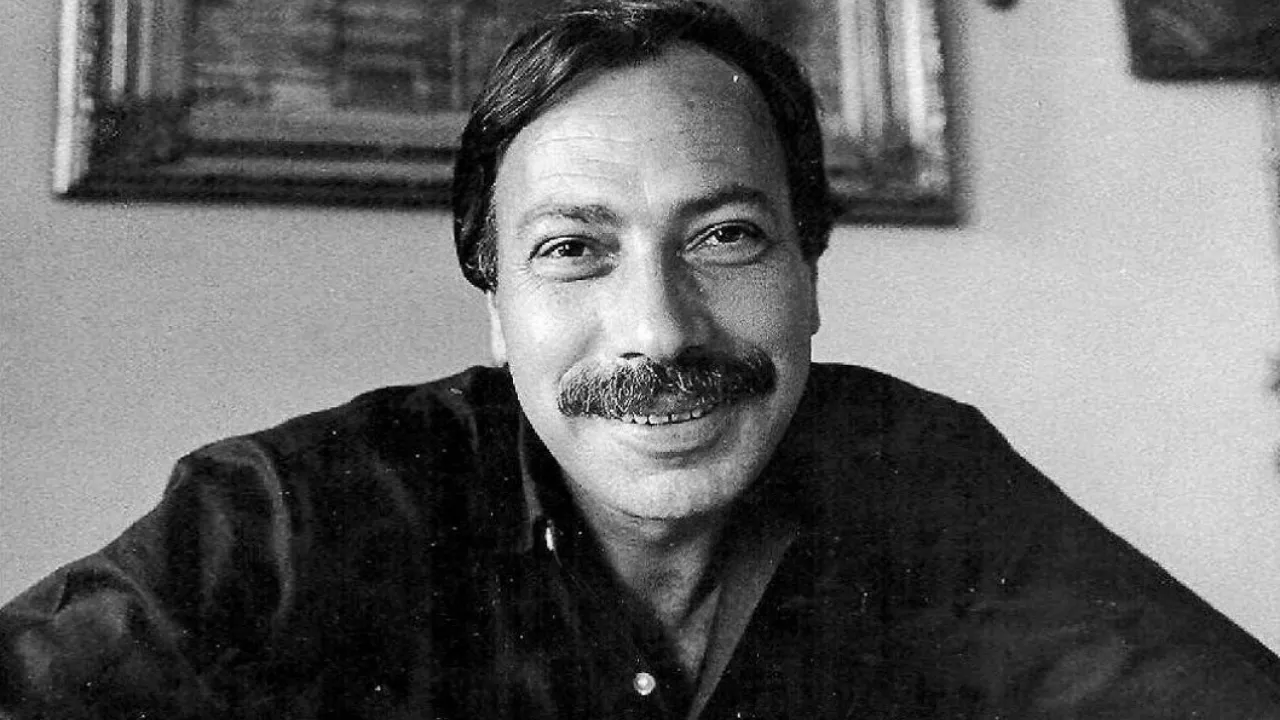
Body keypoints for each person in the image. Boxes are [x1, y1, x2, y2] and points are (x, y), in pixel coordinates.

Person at [3, 1, 1279, 717]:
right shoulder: (291, 515)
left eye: (723, 238)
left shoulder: (922, 479)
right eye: (573, 251)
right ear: (495, 306)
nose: (659, 330)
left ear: (809, 270)